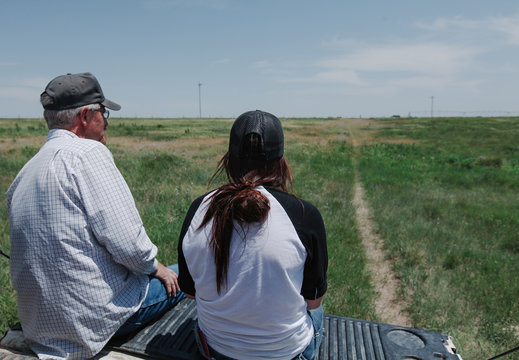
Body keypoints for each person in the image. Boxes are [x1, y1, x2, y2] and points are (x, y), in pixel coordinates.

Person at [7, 72, 185, 359]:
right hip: (92, 322)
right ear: (86, 116)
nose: (106, 122)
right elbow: (130, 245)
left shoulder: (25, 171)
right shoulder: (88, 153)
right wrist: (158, 268)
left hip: (38, 326)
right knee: (186, 272)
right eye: (104, 113)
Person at [178, 110, 328, 360]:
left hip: (215, 350)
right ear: (281, 160)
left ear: (230, 158)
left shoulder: (199, 209)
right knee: (317, 312)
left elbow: (190, 293)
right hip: (287, 354)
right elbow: (313, 300)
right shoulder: (305, 215)